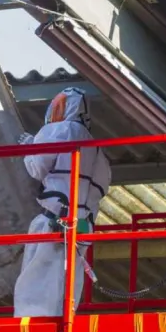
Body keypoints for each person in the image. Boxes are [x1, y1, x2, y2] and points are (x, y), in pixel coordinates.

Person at [13, 87, 111, 318]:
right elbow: (103, 185)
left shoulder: (57, 130)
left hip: (54, 220)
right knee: (68, 278)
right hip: (84, 224)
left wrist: (30, 146)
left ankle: (34, 322)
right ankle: (63, 318)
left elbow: (37, 168)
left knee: (38, 275)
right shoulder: (96, 147)